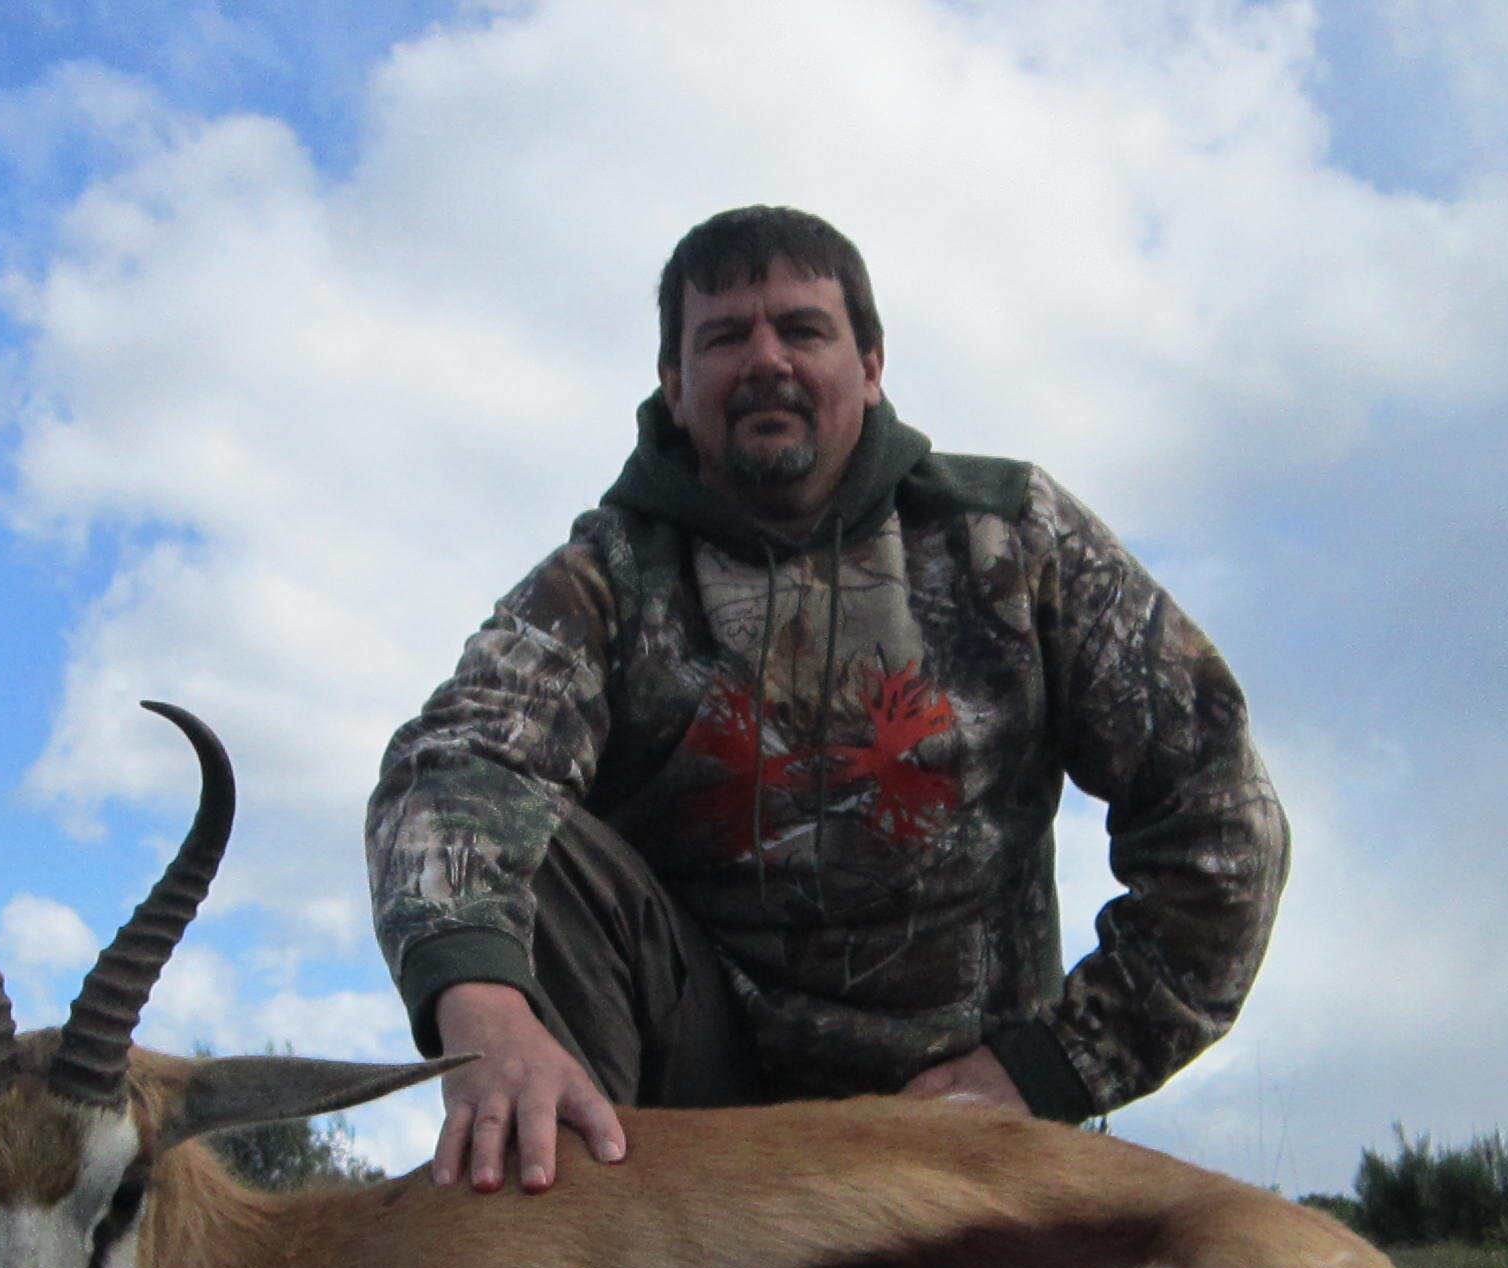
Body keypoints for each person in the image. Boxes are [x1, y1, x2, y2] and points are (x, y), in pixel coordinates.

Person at [367, 205, 1288, 1193]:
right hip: (691, 1131)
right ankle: (581, 1250)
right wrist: (486, 1014)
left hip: (968, 1128)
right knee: (531, 840)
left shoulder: (1014, 537)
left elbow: (1221, 825)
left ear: (873, 365)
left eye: (802, 329)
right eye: (723, 336)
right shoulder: (606, 578)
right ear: (675, 388)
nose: (765, 360)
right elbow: (455, 769)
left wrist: (1047, 1070)